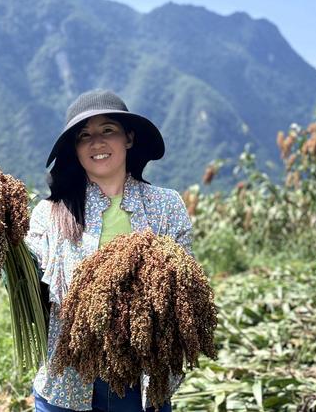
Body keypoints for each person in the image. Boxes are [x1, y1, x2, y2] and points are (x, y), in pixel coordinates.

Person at [25, 89, 192, 412]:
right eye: (83, 136)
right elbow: (31, 284)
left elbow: (183, 285)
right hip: (66, 383)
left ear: (128, 138)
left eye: (107, 131)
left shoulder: (166, 205)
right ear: (74, 149)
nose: (96, 143)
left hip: (140, 384)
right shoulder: (50, 213)